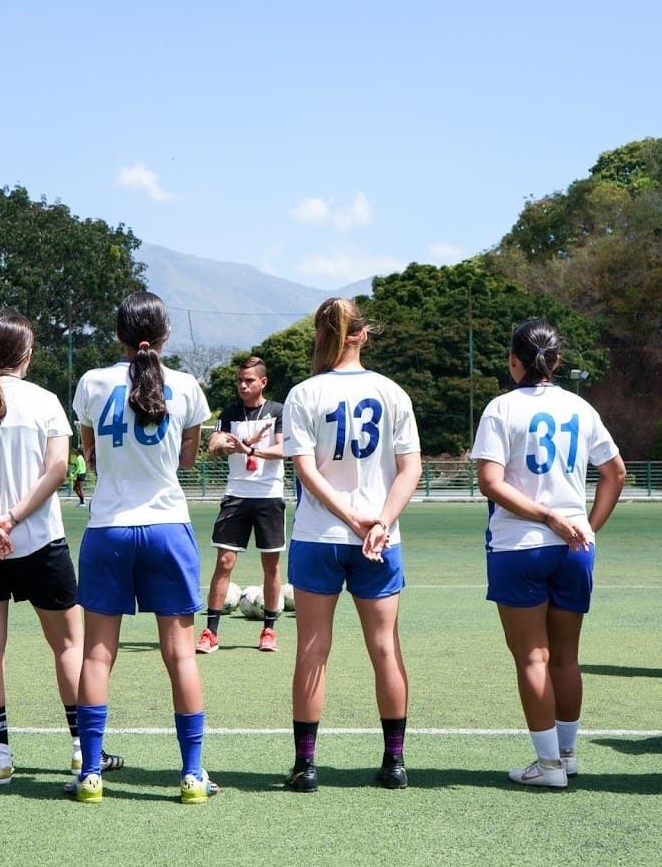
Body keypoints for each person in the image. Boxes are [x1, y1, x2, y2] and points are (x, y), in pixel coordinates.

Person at [0, 311, 120, 786]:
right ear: (28, 353)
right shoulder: (45, 401)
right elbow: (58, 470)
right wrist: (14, 519)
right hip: (39, 542)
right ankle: (84, 751)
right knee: (68, 644)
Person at [69, 292, 213, 804]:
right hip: (167, 527)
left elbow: (88, 451)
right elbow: (188, 460)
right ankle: (193, 776)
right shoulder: (187, 386)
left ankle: (90, 775)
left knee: (97, 655)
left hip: (108, 528)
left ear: (118, 336)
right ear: (166, 334)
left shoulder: (90, 382)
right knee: (180, 655)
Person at [472, 319, 626, 787]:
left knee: (532, 658)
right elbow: (615, 473)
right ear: (556, 362)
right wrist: (586, 527)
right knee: (565, 656)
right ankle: (567, 754)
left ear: (513, 361)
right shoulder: (581, 407)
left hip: (520, 546)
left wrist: (545, 517)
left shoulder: (501, 408)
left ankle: (548, 767)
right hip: (574, 549)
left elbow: (490, 483)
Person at [281, 297, 421, 793]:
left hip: (319, 537)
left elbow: (305, 469)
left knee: (312, 651)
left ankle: (306, 766)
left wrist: (350, 517)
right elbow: (411, 469)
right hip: (380, 542)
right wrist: (379, 522)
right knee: (385, 648)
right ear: (362, 335)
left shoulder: (303, 393)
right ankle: (395, 763)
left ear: (321, 336)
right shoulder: (392, 392)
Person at [197, 356, 287, 655]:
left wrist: (249, 448)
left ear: (263, 382)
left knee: (271, 565)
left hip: (269, 495)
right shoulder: (230, 412)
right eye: (239, 380)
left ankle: (269, 630)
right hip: (236, 495)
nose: (242, 385)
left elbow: (283, 449)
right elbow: (213, 448)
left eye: (249, 381)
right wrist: (230, 444)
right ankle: (210, 632)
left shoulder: (277, 411)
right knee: (224, 562)